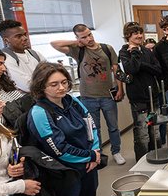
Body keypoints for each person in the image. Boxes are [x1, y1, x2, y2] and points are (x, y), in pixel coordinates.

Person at [26, 63, 100, 196]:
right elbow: (58, 149)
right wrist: (89, 155)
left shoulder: (72, 101)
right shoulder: (39, 112)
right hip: (65, 174)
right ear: (41, 86)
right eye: (54, 84)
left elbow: (91, 126)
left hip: (88, 166)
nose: (62, 87)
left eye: (64, 82)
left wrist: (95, 153)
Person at [51, 24, 126, 165]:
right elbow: (54, 44)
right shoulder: (77, 51)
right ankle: (98, 154)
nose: (89, 38)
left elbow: (116, 70)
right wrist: (76, 43)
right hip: (88, 97)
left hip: (107, 95)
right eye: (84, 37)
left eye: (89, 34)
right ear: (78, 38)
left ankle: (116, 151)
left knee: (113, 126)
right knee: (94, 129)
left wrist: (120, 89)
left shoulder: (106, 48)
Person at [118, 22, 163, 162]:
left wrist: (142, 64)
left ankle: (156, 156)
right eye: (135, 33)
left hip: (153, 95)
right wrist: (136, 53)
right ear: (128, 36)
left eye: (140, 33)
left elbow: (158, 70)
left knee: (154, 130)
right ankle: (142, 162)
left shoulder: (146, 50)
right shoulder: (124, 52)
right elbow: (131, 69)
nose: (139, 36)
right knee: (142, 133)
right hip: (138, 98)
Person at [0, 19, 46, 93]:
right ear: (6, 40)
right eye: (19, 36)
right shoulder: (6, 60)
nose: (25, 38)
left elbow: (53, 75)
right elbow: (28, 86)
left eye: (25, 34)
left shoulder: (35, 54)